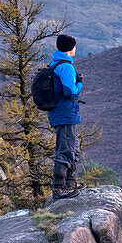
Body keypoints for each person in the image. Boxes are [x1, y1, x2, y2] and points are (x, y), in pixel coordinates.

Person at [48, 34, 84, 199]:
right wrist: (80, 83)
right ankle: (59, 189)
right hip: (66, 113)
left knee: (72, 148)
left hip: (61, 113)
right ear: (70, 48)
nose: (75, 49)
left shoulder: (55, 63)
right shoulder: (66, 67)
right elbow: (70, 91)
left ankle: (70, 184)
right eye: (74, 46)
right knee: (66, 150)